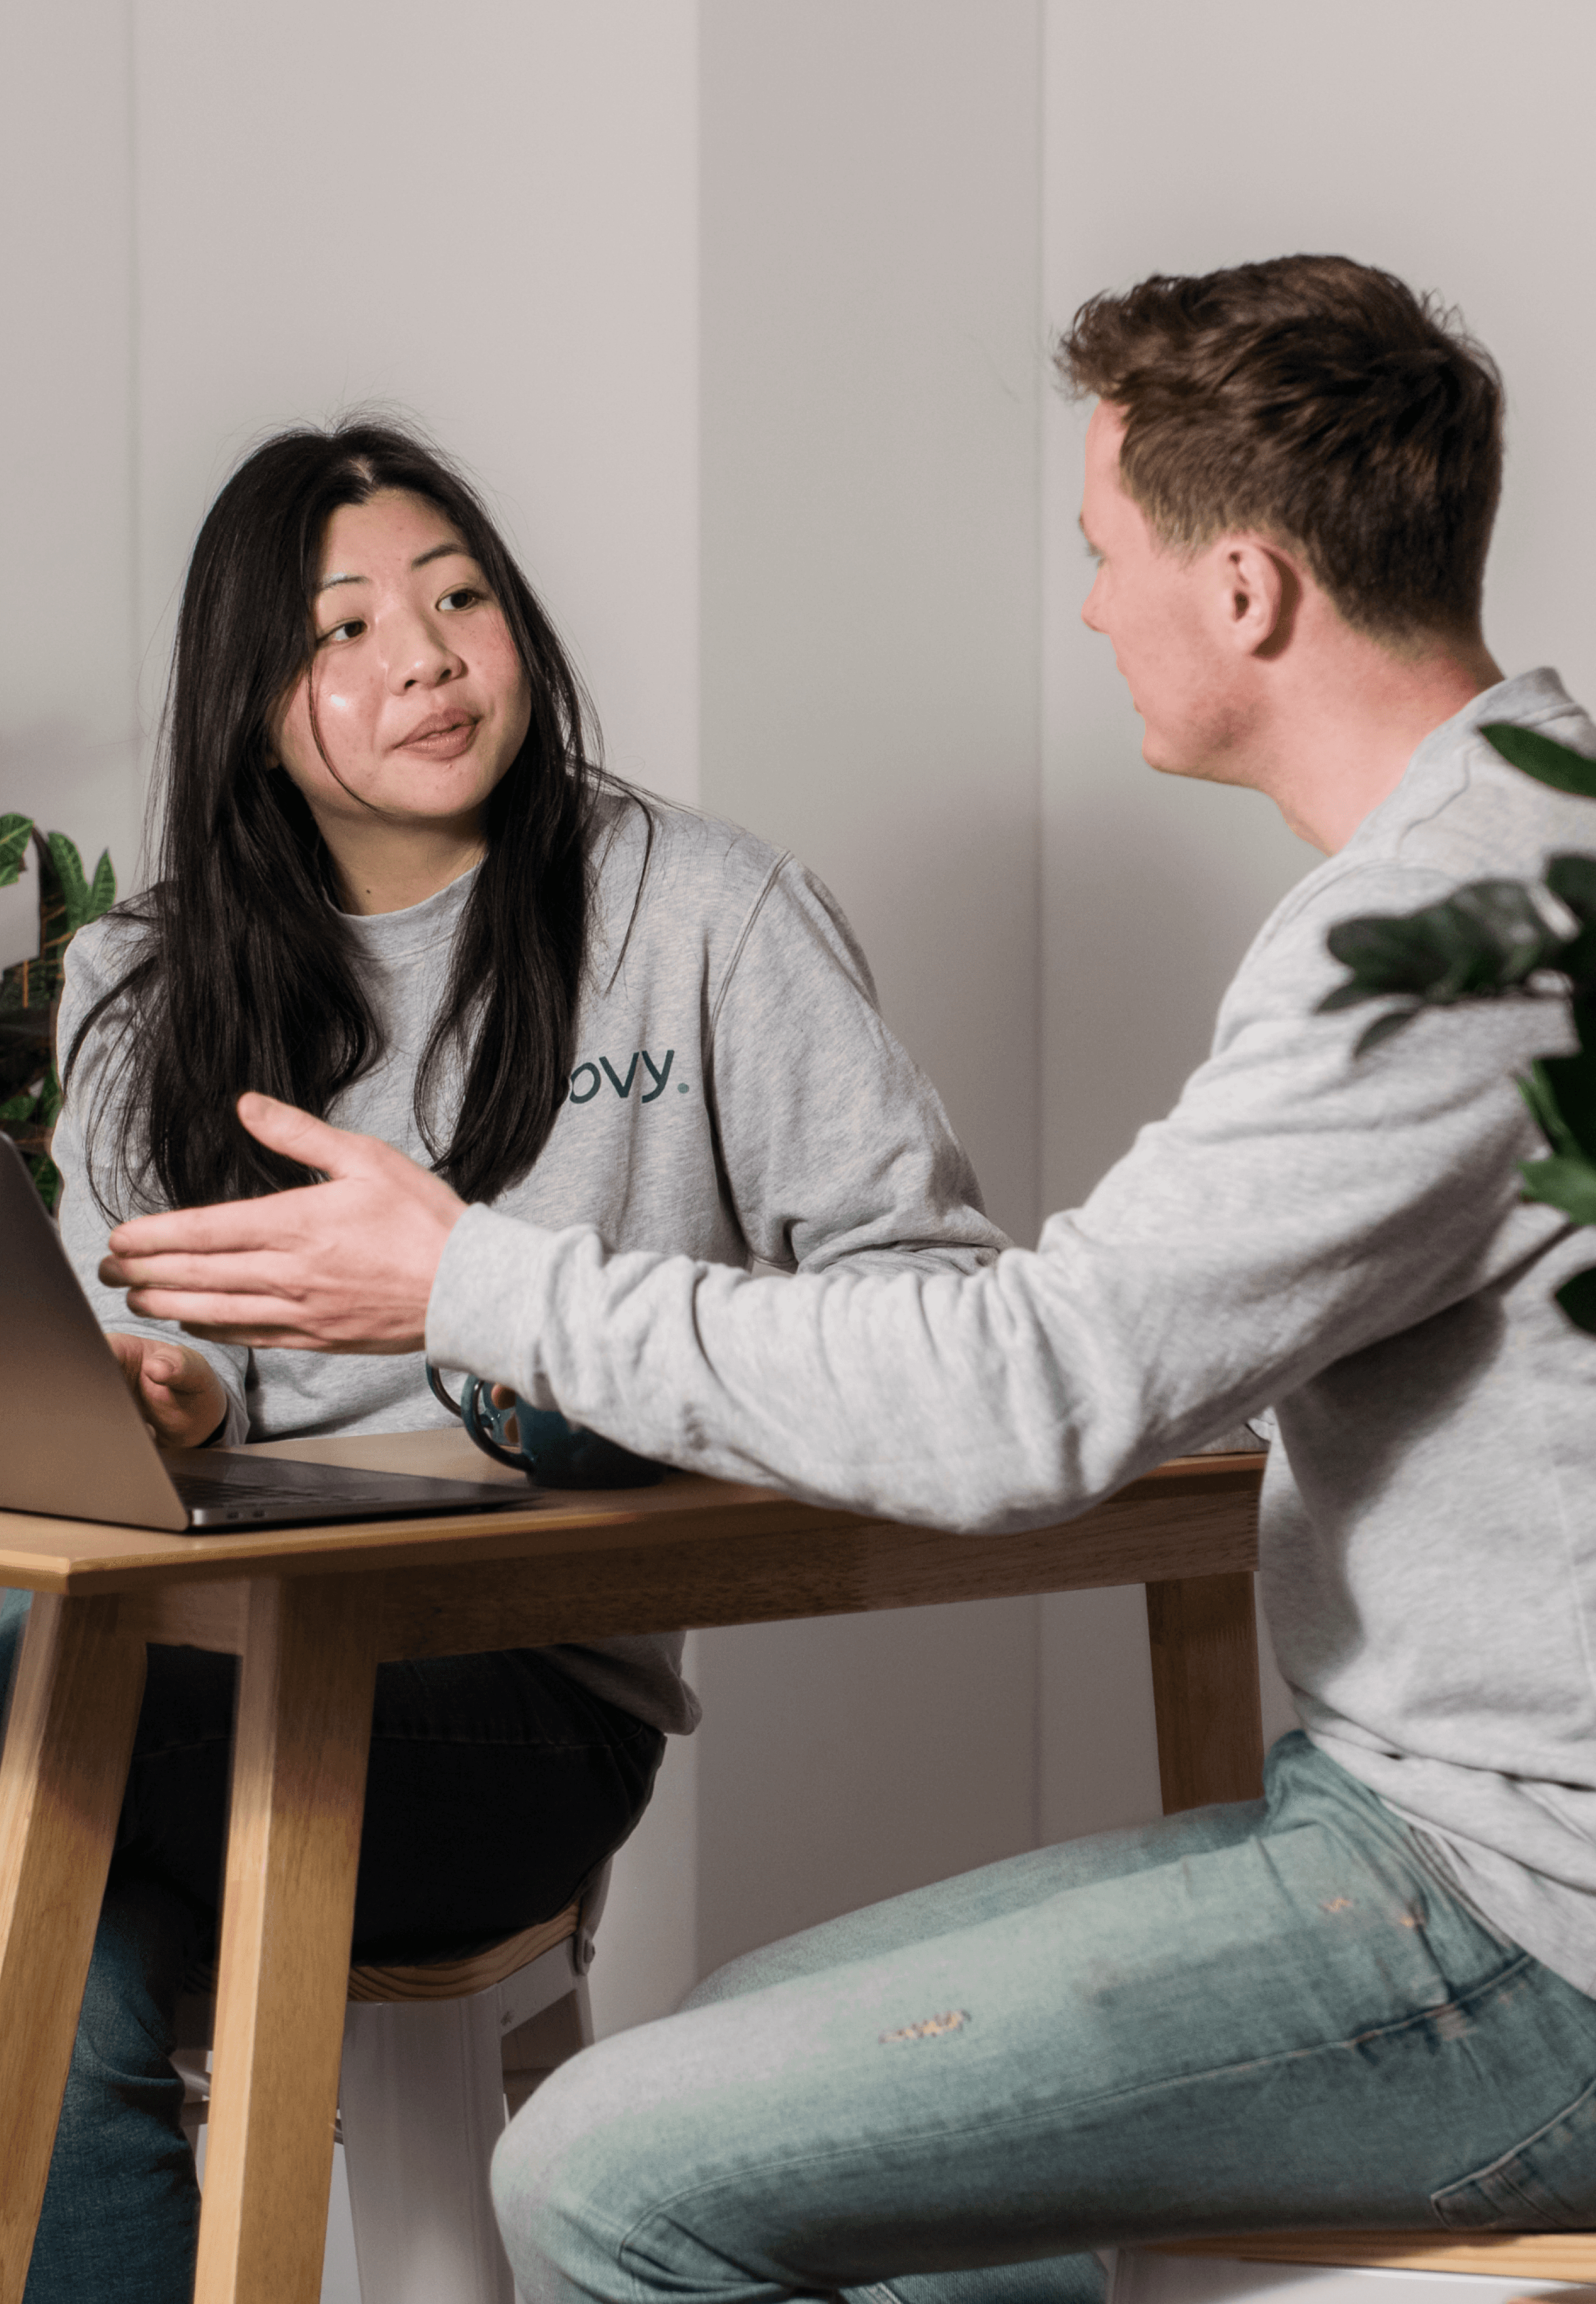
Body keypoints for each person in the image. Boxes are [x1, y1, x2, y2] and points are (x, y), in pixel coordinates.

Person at [104, 261, 1596, 2304]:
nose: (1090, 607)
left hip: (1554, 1954)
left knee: (607, 2173)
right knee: (750, 2075)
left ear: (1245, 590)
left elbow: (1034, 1385)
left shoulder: (1462, 933)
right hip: (1444, 1851)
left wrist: (473, 1281)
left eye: (1106, 553)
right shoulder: (1566, 854)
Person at [9, 417, 1004, 2304]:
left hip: (512, 1702)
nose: (430, 660)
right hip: (192, 1664)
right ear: (249, 700)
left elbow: (927, 1296)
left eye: (461, 599)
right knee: (63, 1944)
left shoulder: (698, 916)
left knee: (20, 1781)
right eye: (346, 632)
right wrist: (170, 1389)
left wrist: (524, 1315)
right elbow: (129, 1325)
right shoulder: (146, 978)